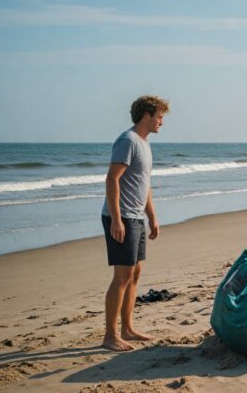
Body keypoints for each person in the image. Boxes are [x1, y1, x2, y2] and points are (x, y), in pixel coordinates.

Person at [101, 95, 169, 351]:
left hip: (137, 217)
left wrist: (152, 216)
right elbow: (112, 179)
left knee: (135, 273)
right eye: (160, 116)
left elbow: (144, 184)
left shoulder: (144, 143)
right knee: (122, 276)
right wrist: (117, 219)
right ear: (147, 115)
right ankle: (110, 335)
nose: (162, 121)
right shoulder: (127, 141)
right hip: (123, 217)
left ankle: (127, 329)